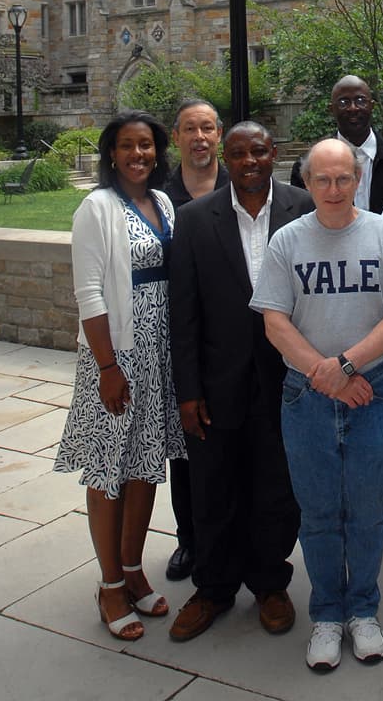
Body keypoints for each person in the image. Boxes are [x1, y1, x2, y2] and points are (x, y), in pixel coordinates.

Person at [252, 138, 383, 672]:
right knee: (320, 512)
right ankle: (327, 614)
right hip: (305, 396)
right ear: (307, 181)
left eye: (343, 178)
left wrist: (344, 367)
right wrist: (325, 376)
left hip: (372, 391)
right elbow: (275, 321)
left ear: (356, 179)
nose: (333, 189)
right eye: (322, 179)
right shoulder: (286, 241)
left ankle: (363, 611)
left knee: (369, 511)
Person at [167, 121, 312, 642]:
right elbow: (181, 314)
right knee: (213, 487)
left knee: (276, 487)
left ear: (275, 152)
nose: (249, 161)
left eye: (258, 151)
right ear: (226, 160)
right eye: (238, 154)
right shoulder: (193, 219)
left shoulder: (305, 206)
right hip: (216, 382)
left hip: (287, 380)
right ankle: (213, 588)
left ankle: (271, 584)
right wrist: (187, 391)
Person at [54, 109, 185, 641]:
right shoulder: (96, 208)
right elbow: (88, 293)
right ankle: (109, 584)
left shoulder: (165, 202)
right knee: (109, 470)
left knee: (145, 464)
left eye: (147, 145)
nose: (139, 154)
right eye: (128, 146)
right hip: (118, 356)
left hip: (159, 355)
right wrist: (108, 367)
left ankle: (132, 568)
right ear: (112, 153)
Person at [291, 74, 383, 556]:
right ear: (333, 108)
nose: (353, 106)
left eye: (360, 98)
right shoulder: (310, 165)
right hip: (332, 311)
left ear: (373, 104)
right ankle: (340, 519)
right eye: (343, 100)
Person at [164, 98, 229, 583]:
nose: (200, 137)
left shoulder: (245, 186)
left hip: (234, 337)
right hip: (181, 334)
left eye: (207, 127)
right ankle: (189, 540)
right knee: (186, 446)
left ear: (219, 134)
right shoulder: (158, 196)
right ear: (177, 137)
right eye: (191, 128)